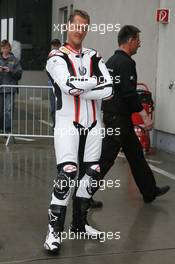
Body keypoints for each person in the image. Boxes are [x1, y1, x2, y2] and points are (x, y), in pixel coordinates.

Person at [44, 9, 113, 254]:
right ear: (67, 27)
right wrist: (95, 82)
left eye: (84, 27)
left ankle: (79, 224)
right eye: (77, 26)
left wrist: (84, 87)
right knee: (67, 176)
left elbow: (110, 90)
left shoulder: (94, 56)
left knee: (93, 173)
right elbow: (67, 86)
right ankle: (53, 232)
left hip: (95, 124)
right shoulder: (56, 57)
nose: (80, 30)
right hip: (66, 124)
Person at [99, 25, 170, 203]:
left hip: (115, 117)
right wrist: (144, 116)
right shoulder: (126, 63)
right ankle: (83, 195)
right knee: (106, 159)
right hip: (118, 120)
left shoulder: (110, 62)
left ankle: (149, 191)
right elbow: (129, 93)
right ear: (130, 41)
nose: (139, 44)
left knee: (135, 153)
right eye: (138, 41)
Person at [0, 40, 22, 133]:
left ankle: (7, 130)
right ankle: (1, 129)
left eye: (7, 48)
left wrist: (10, 71)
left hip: (10, 89)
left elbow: (19, 74)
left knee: (8, 111)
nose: (5, 50)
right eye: (3, 48)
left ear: (10, 48)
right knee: (1, 111)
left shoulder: (14, 60)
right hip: (0, 88)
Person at [48, 39, 61, 128]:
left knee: (59, 106)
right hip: (52, 83)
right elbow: (48, 69)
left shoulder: (63, 55)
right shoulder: (50, 55)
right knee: (53, 107)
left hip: (60, 83)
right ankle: (55, 125)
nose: (55, 47)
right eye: (54, 45)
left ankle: (59, 125)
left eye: (57, 45)